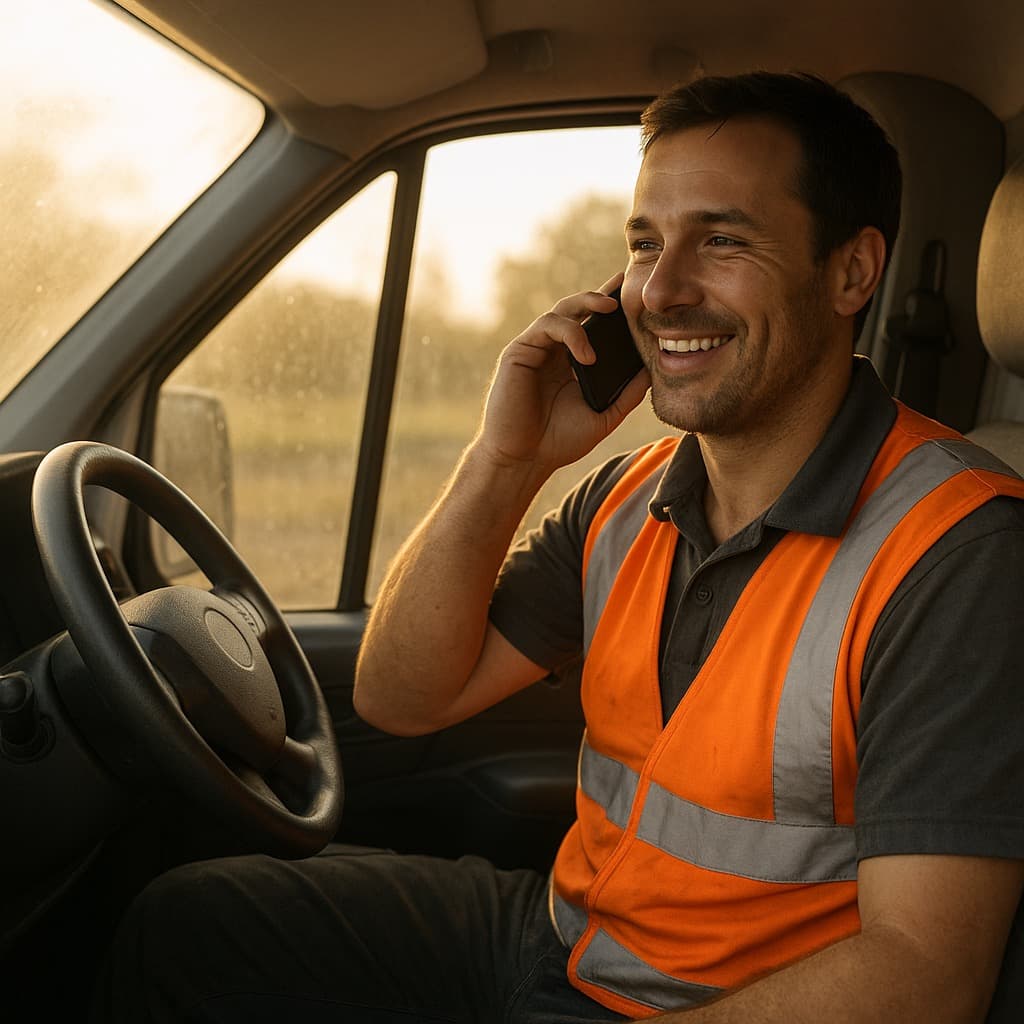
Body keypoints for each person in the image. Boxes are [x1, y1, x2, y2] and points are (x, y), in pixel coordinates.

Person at [95, 72, 1024, 1023]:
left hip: (710, 1004)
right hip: (563, 941)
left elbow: (925, 973)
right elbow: (402, 696)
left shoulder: (956, 550)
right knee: (193, 922)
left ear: (851, 273)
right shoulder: (624, 498)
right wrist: (505, 460)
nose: (660, 291)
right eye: (644, 245)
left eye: (723, 240)